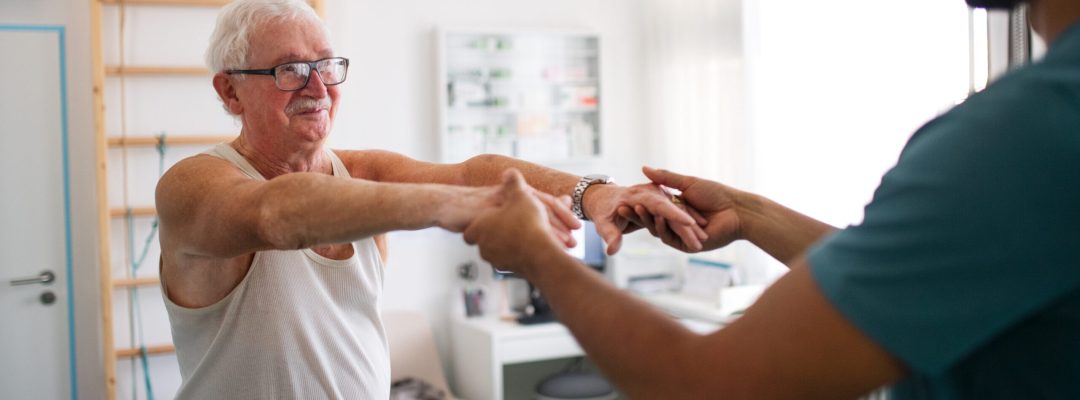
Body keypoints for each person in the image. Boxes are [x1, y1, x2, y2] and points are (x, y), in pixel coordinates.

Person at [462, 0, 1080, 398]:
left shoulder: (1025, 134)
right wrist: (753, 216)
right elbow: (928, 279)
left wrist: (539, 255)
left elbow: (705, 385)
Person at [154, 0, 705, 398]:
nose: (319, 88)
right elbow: (277, 214)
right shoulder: (193, 186)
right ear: (230, 91)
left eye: (326, 65)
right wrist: (446, 206)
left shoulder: (361, 170)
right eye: (290, 70)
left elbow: (473, 172)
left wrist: (598, 196)